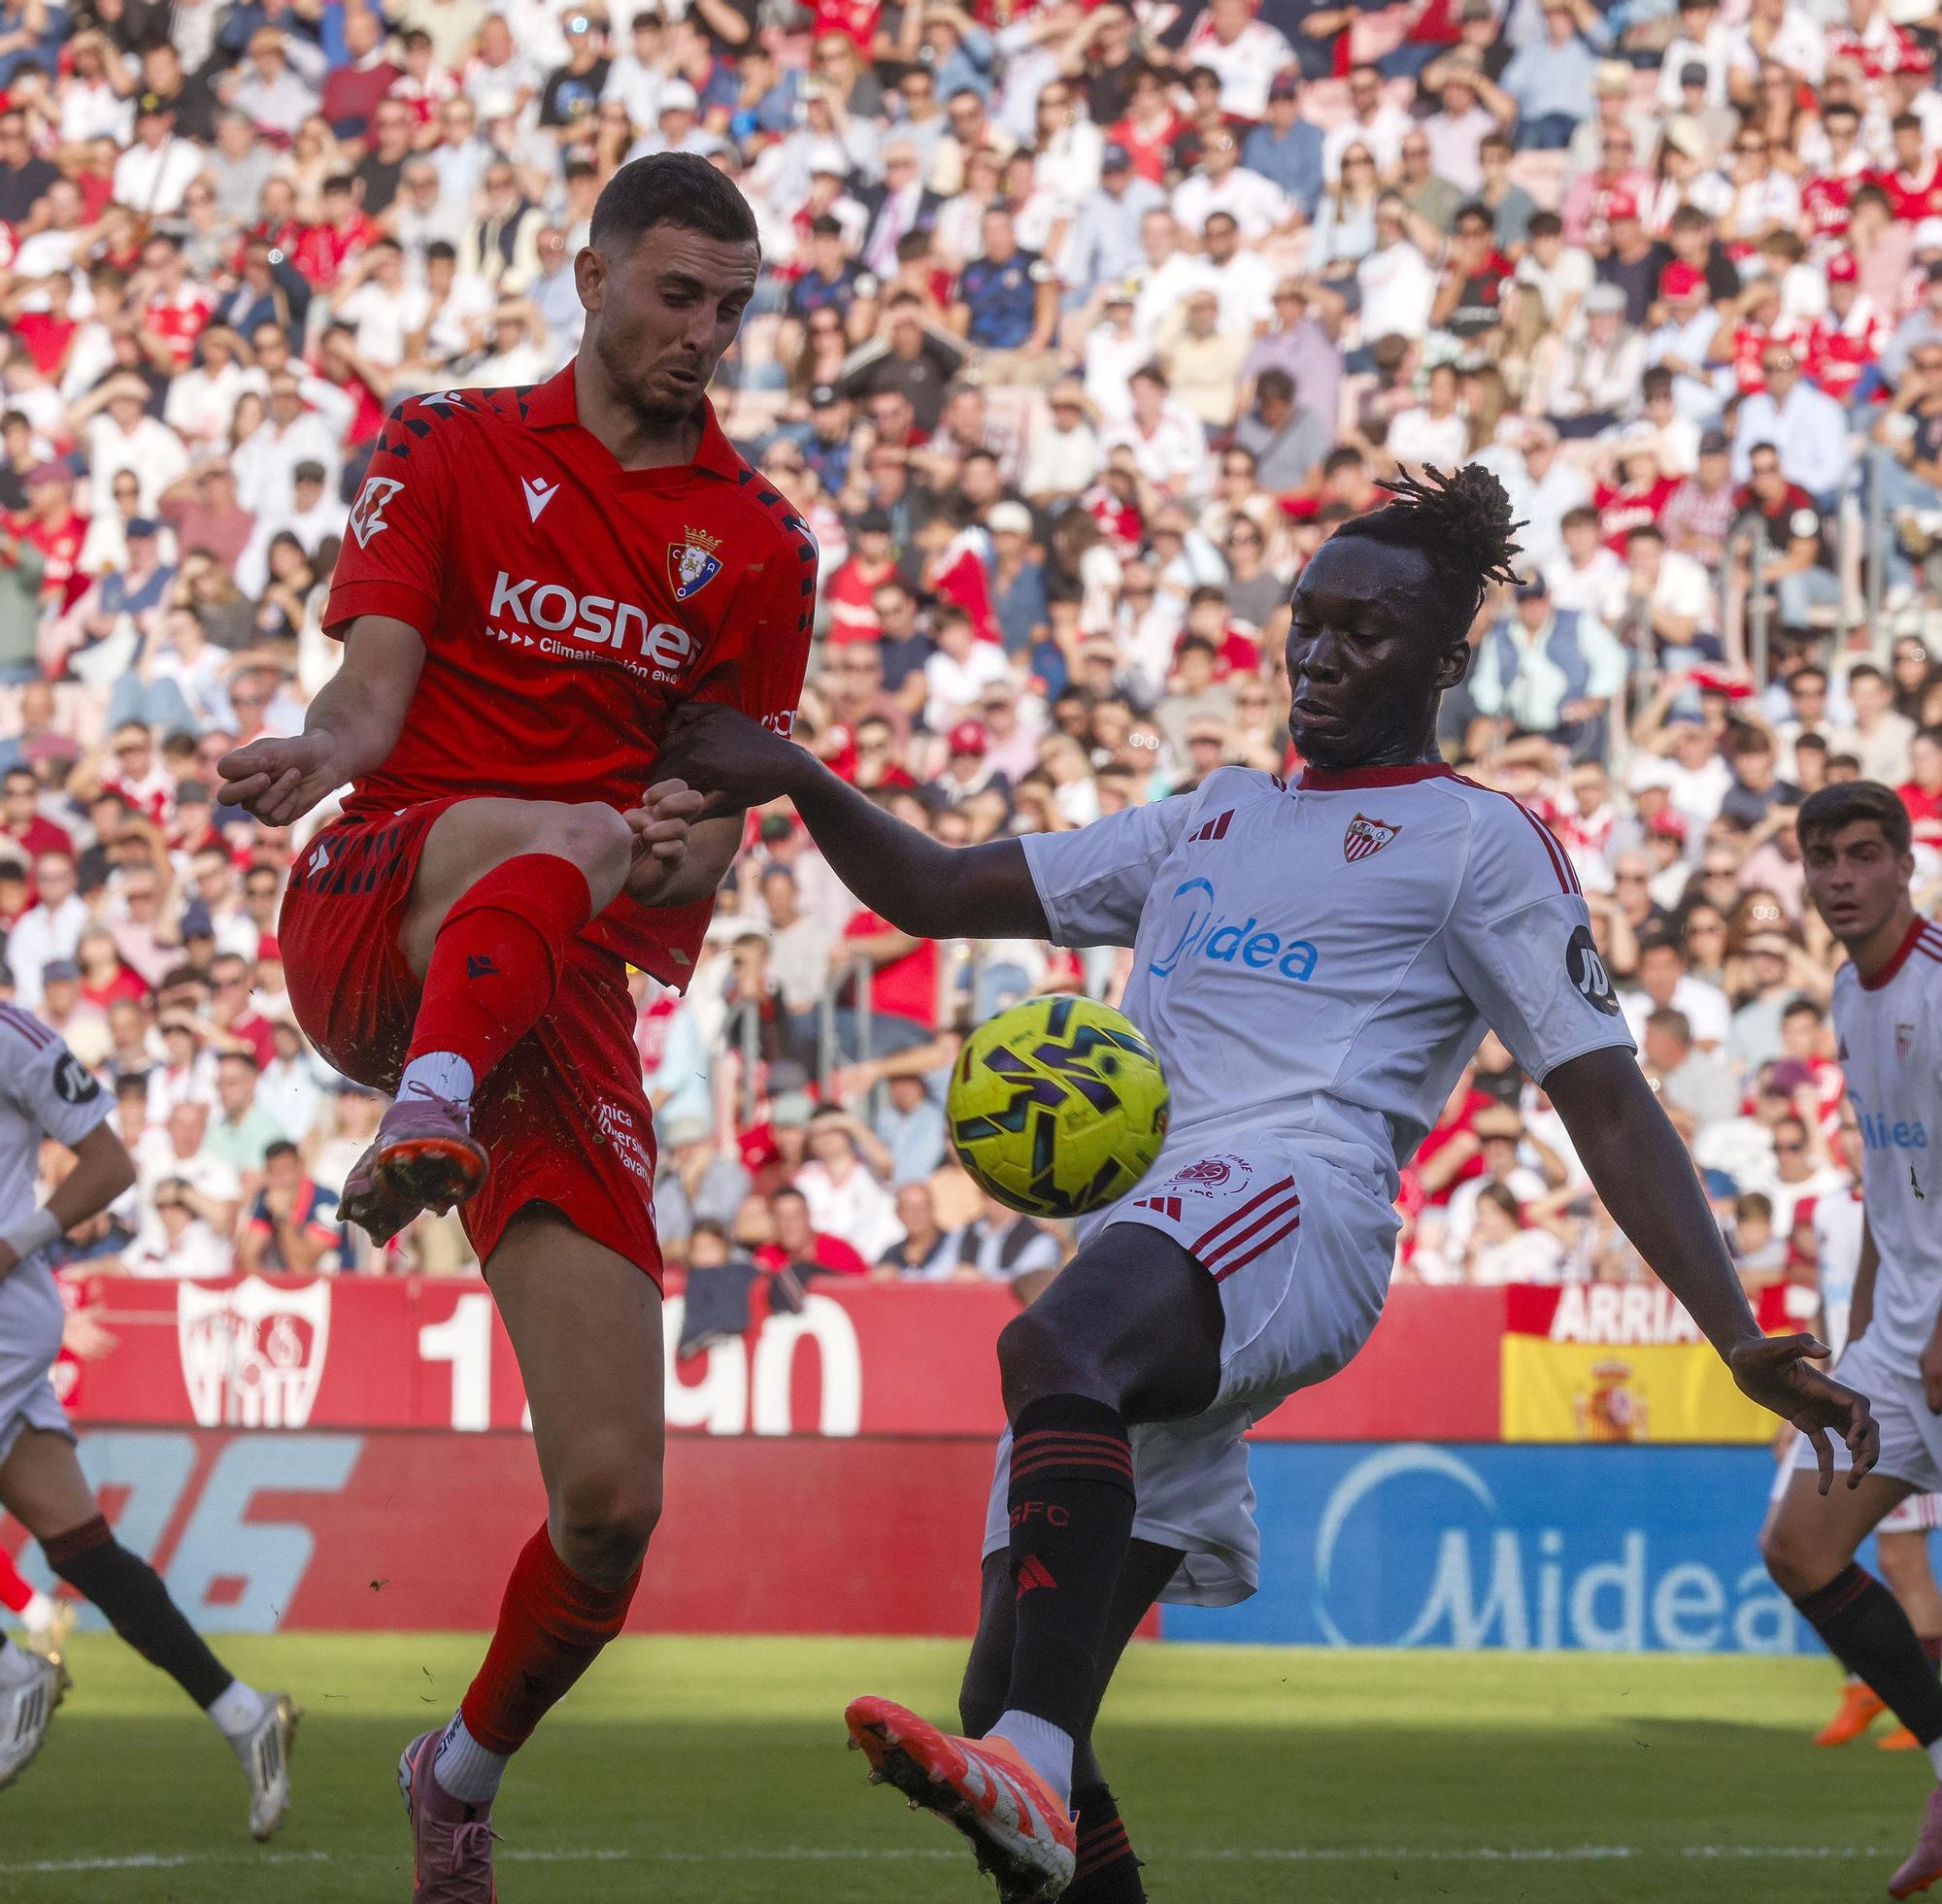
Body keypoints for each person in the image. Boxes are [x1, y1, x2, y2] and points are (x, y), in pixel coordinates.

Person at [660, 466, 1875, 1902]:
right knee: (1001, 1704)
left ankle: (1038, 1766)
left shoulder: (1482, 843)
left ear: (1445, 660)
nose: (1317, 651)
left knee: (1050, 1351)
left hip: (1298, 1196)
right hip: (1160, 1236)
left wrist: (1734, 1328)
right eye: (1308, 620)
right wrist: (802, 773)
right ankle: (1041, 1776)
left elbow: (1603, 1097)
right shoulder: (1208, 822)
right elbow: (932, 889)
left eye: (1364, 631)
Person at [213, 154, 814, 1897]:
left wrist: (699, 828)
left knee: (614, 1504)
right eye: (676, 294)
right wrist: (326, 749)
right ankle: (426, 1107)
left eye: (731, 305)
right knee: (559, 827)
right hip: (388, 906)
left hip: (559, 992)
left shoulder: (761, 543)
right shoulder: (450, 438)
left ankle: (456, 1770)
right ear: (593, 275)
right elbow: (375, 683)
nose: (704, 332)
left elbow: (712, 798)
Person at [0, 1001, 296, 1817]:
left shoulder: (14, 1037)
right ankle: (244, 1712)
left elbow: (110, 1163)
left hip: (3, 1311)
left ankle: (13, 1676)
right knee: (82, 1549)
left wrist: (13, 1244)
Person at [1758, 780, 1942, 1897]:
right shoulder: (1844, 991)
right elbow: (1889, 1180)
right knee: (1800, 1544)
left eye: (1861, 854)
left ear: (1902, 864)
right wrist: (1866, 1330)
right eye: (1821, 857)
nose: (1838, 877)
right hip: (1896, 1340)